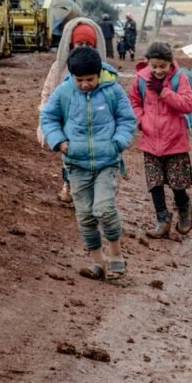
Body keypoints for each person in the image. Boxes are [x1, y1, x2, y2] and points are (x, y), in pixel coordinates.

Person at [40, 46, 137, 280]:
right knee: (84, 215)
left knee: (103, 208)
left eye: (90, 79)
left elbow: (127, 119)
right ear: (72, 76)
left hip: (107, 163)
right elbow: (48, 117)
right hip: (76, 165)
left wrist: (118, 142)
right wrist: (59, 142)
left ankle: (115, 257)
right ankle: (97, 263)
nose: (84, 84)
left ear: (99, 73)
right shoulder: (64, 92)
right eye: (79, 80)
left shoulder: (112, 90)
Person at [129, 42, 192, 238]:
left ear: (170, 63)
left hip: (175, 140)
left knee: (177, 183)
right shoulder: (141, 79)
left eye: (162, 66)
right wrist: (141, 120)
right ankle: (162, 220)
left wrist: (163, 92)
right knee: (155, 183)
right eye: (154, 66)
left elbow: (187, 104)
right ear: (148, 63)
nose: (158, 70)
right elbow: (134, 101)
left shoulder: (180, 78)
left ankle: (185, 209)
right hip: (150, 140)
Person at [37, 17, 105, 203]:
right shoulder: (59, 68)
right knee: (69, 157)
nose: (83, 47)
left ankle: (85, 190)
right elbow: (48, 92)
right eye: (79, 43)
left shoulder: (102, 70)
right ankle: (68, 186)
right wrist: (45, 118)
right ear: (71, 43)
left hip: (91, 121)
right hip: (67, 121)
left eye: (88, 44)